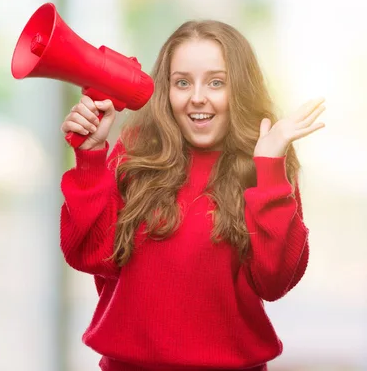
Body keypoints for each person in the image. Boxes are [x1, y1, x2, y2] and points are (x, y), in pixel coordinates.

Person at [58, 20, 325, 371]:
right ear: (166, 91)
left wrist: (270, 167)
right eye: (182, 82)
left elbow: (274, 282)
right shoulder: (134, 154)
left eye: (217, 82)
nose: (197, 96)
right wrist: (91, 157)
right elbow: (90, 256)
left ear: (240, 89)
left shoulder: (265, 166)